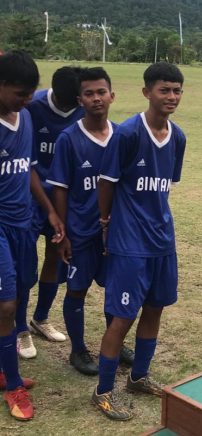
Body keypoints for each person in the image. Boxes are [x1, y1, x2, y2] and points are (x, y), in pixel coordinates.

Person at [92, 62, 186, 421]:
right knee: (122, 318)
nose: (171, 96)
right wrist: (106, 223)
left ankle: (138, 377)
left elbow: (164, 186)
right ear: (147, 92)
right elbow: (107, 183)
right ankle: (102, 391)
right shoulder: (128, 133)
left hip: (162, 240)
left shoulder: (178, 137)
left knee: (155, 308)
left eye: (177, 90)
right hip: (129, 244)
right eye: (164, 90)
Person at [47, 67, 133, 375]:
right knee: (77, 289)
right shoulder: (68, 139)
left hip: (116, 232)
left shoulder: (123, 135)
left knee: (115, 289)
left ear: (112, 96)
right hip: (81, 232)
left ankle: (114, 341)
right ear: (79, 100)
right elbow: (60, 188)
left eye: (101, 92)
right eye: (89, 93)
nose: (96, 98)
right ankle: (78, 350)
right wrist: (64, 232)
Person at [0, 51, 65, 421]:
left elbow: (27, 170)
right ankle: (13, 385)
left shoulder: (24, 117)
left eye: (31, 93)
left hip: (22, 221)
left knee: (22, 287)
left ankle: (3, 367)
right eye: (20, 94)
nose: (27, 101)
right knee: (7, 305)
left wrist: (50, 209)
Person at [22, 66, 84, 358]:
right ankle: (19, 329)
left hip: (62, 199)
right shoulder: (31, 107)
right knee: (25, 266)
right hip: (30, 197)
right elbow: (27, 162)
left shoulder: (81, 108)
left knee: (55, 256)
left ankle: (40, 318)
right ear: (55, 93)